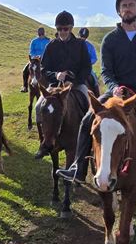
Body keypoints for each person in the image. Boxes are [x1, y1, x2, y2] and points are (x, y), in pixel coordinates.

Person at [57, 0, 136, 190]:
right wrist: (113, 87)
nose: (127, 9)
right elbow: (106, 70)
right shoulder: (110, 39)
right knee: (87, 120)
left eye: (131, 5)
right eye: (124, 6)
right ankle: (78, 167)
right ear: (118, 11)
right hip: (115, 92)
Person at [35, 11, 97, 158]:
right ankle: (44, 143)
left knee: (90, 108)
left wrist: (73, 81)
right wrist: (55, 75)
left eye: (65, 29)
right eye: (59, 29)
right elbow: (44, 68)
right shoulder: (51, 45)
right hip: (54, 86)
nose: (62, 32)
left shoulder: (80, 45)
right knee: (38, 107)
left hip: (76, 85)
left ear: (71, 28)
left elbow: (86, 67)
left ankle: (89, 141)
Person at [25, 26, 50, 92]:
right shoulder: (34, 41)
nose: (41, 36)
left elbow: (49, 51)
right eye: (40, 34)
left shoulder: (48, 41)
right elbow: (31, 51)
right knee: (25, 70)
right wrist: (35, 56)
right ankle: (25, 86)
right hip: (34, 59)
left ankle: (52, 84)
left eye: (42, 34)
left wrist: (42, 56)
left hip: (45, 60)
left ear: (44, 33)